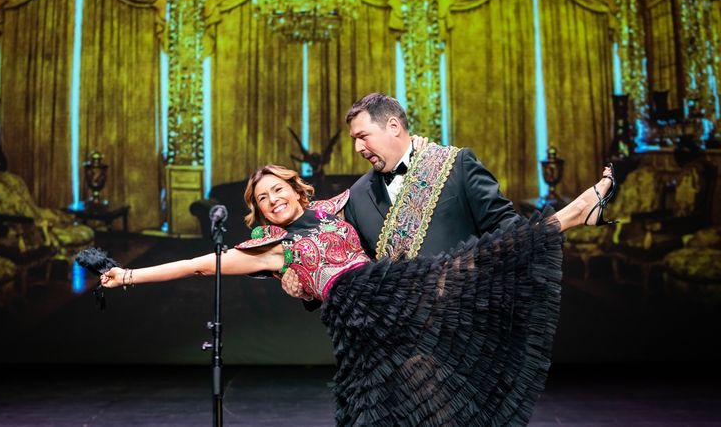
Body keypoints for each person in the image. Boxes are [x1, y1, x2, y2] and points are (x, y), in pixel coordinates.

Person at [98, 163, 617, 426]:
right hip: (358, 315)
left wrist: (413, 149)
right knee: (375, 408)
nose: (273, 199)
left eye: (278, 189)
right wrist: (127, 276)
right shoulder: (269, 248)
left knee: (472, 272)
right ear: (258, 210)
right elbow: (195, 265)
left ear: (296, 188)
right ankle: (573, 215)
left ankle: (573, 214)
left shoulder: (332, 208)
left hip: (388, 292)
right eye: (263, 198)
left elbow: (386, 169)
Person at [282, 92, 521, 304]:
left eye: (363, 136)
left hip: (469, 314)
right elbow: (347, 266)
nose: (357, 148)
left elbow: (507, 227)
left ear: (394, 126)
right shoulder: (356, 196)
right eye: (354, 139)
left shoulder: (456, 165)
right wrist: (305, 289)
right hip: (402, 331)